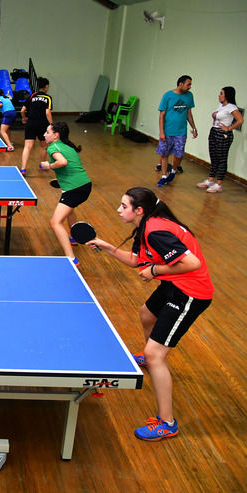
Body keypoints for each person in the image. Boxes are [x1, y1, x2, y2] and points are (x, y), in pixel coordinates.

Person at [87, 187, 213, 441]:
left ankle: (167, 422)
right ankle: (152, 359)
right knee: (146, 313)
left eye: (124, 206)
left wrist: (155, 271)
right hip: (175, 284)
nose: (118, 210)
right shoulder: (145, 226)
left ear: (139, 210)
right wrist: (107, 247)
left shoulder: (155, 231)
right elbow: (136, 261)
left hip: (190, 293)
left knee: (155, 354)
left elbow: (192, 263)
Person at [40, 122, 91, 265]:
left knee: (55, 222)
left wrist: (49, 166)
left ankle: (71, 259)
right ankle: (73, 237)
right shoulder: (67, 146)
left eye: (47, 132)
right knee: (69, 210)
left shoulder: (53, 147)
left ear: (56, 135)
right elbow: (72, 167)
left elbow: (62, 162)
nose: (44, 135)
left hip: (74, 189)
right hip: (84, 185)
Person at [197, 86, 243, 193]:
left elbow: (240, 120)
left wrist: (229, 128)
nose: (219, 95)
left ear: (227, 95)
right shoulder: (221, 105)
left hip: (223, 135)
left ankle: (218, 184)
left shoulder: (231, 107)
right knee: (214, 157)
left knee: (222, 159)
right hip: (214, 132)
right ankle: (210, 180)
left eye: (221, 93)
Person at [156, 75, 198, 187]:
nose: (190, 87)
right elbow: (162, 115)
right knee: (164, 154)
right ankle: (163, 176)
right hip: (167, 131)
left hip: (181, 131)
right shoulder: (168, 95)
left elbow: (189, 113)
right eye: (188, 84)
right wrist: (162, 132)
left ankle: (173, 171)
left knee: (179, 154)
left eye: (190, 84)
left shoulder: (189, 96)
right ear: (180, 84)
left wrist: (194, 128)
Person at [20, 77, 52, 175]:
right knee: (44, 146)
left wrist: (24, 118)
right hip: (43, 124)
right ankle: (42, 165)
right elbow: (47, 113)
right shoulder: (48, 98)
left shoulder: (31, 96)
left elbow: (22, 110)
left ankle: (23, 169)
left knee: (27, 147)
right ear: (46, 87)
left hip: (31, 123)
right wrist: (52, 125)